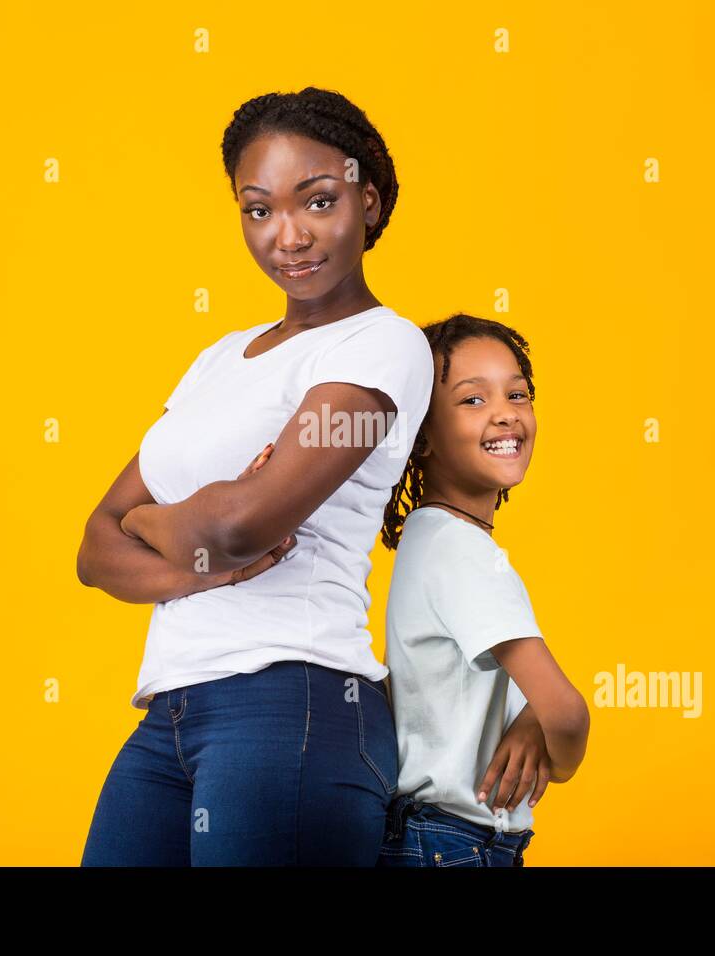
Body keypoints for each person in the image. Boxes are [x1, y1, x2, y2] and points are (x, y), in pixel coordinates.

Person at [75, 88, 434, 866]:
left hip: (292, 702)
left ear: (367, 202)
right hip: (170, 710)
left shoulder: (382, 347)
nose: (290, 236)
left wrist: (166, 521)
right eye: (259, 209)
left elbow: (241, 526)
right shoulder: (220, 358)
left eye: (319, 201)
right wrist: (198, 559)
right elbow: (95, 548)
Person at [375, 313, 591, 867]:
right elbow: (567, 714)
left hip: (430, 837)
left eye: (517, 394)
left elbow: (517, 699)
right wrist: (556, 758)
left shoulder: (430, 537)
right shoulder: (461, 550)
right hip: (455, 845)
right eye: (472, 400)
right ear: (423, 437)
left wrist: (530, 718)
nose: (504, 414)